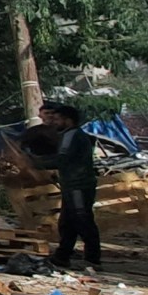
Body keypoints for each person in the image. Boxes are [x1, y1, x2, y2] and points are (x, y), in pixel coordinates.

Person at [33, 102, 100, 271]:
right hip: (73, 184)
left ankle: (93, 259)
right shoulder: (73, 135)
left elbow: (62, 159)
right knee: (67, 222)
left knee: (82, 219)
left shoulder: (71, 135)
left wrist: (35, 163)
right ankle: (62, 256)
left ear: (68, 120)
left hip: (78, 185)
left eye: (57, 119)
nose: (53, 122)